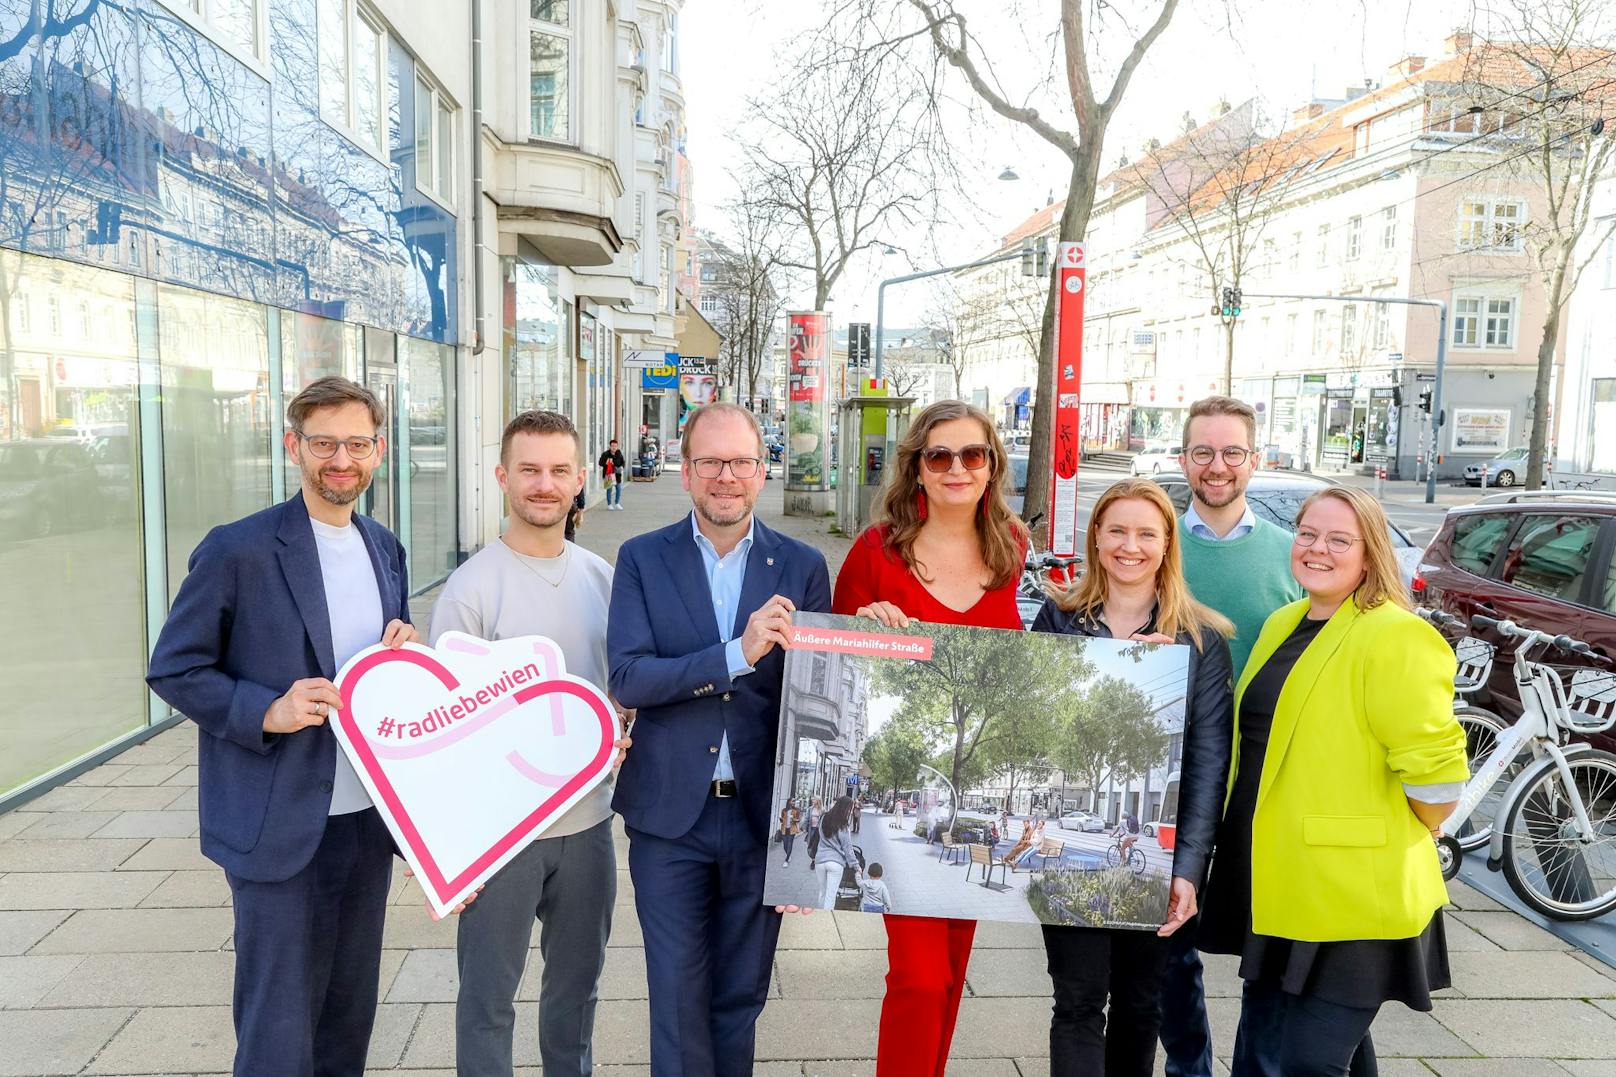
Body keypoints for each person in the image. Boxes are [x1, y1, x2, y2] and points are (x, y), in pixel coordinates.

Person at [146, 377, 431, 1077]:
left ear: (379, 450)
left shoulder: (383, 546)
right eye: (324, 442)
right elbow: (174, 667)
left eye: (357, 443)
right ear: (292, 446)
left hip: (366, 824)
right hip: (278, 825)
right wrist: (265, 711)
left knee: (347, 1017)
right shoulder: (238, 549)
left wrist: (407, 651)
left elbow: (377, 676)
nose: (342, 459)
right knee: (277, 1030)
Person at [1197, 486, 1468, 1077]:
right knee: (1327, 1056)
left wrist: (1392, 829)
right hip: (1284, 882)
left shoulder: (1395, 634)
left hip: (1353, 891)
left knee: (1306, 1062)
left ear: (1369, 553)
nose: (1317, 549)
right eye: (1307, 534)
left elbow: (1437, 781)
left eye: (1338, 540)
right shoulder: (1284, 621)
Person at [607, 402, 831, 1077]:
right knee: (676, 999)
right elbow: (628, 675)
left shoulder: (802, 564)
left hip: (765, 820)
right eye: (711, 461)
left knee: (739, 1000)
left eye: (740, 461)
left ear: (762, 472)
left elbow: (820, 704)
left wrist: (809, 839)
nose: (725, 475)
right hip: (669, 817)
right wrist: (736, 652)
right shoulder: (642, 557)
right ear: (687, 472)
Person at [428, 411, 630, 1077]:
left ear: (579, 478)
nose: (545, 484)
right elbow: (446, 730)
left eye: (558, 470)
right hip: (501, 839)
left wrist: (624, 727)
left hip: (589, 829)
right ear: (502, 477)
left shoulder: (604, 578)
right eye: (529, 469)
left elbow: (621, 688)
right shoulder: (471, 588)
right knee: (487, 1003)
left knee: (575, 998)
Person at [831, 399, 1028, 1077]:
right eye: (939, 455)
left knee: (948, 972)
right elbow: (834, 662)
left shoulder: (1011, 546)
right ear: (916, 467)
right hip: (900, 798)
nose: (956, 468)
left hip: (975, 794)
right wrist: (863, 622)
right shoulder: (875, 552)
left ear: (991, 465)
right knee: (916, 975)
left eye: (972, 454)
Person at [1030, 477, 1234, 1077]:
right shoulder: (1059, 619)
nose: (1130, 546)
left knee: (1141, 1006)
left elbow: (1207, 764)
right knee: (1077, 1003)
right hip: (1069, 862)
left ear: (1168, 543)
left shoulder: (1199, 640)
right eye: (1116, 530)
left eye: (1147, 533)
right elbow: (1041, 730)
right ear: (1096, 537)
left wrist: (1190, 869)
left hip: (1160, 860)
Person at [1164, 395, 1304, 1077]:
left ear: (1255, 459)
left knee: (1267, 947)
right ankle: (1188, 1065)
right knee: (1167, 944)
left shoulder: (1291, 556)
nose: (1216, 467)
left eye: (1230, 453)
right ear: (1183, 458)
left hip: (1266, 780)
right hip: (1173, 774)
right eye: (1202, 452)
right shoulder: (1156, 542)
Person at [814, 796, 859, 909]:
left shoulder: (823, 817)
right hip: (835, 862)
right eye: (850, 809)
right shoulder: (843, 825)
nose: (850, 812)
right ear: (845, 808)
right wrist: (856, 865)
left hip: (820, 861)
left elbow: (819, 836)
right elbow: (847, 848)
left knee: (822, 893)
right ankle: (826, 923)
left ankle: (819, 919)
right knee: (830, 896)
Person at [599, 438, 626, 511]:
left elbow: (623, 462)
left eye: (615, 446)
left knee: (618, 489)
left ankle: (617, 503)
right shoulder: (605, 454)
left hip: (617, 474)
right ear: (610, 446)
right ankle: (609, 504)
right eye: (612, 446)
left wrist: (622, 466)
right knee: (609, 490)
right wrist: (606, 463)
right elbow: (600, 463)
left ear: (617, 446)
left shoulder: (619, 453)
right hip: (609, 474)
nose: (614, 447)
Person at [779, 801, 803, 868]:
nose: (793, 802)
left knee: (789, 844)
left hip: (792, 830)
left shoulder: (796, 810)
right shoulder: (784, 810)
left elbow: (798, 820)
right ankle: (788, 855)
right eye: (792, 801)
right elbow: (782, 820)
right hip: (784, 829)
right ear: (788, 802)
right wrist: (781, 819)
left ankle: (786, 861)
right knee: (785, 845)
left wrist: (794, 819)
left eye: (794, 801)